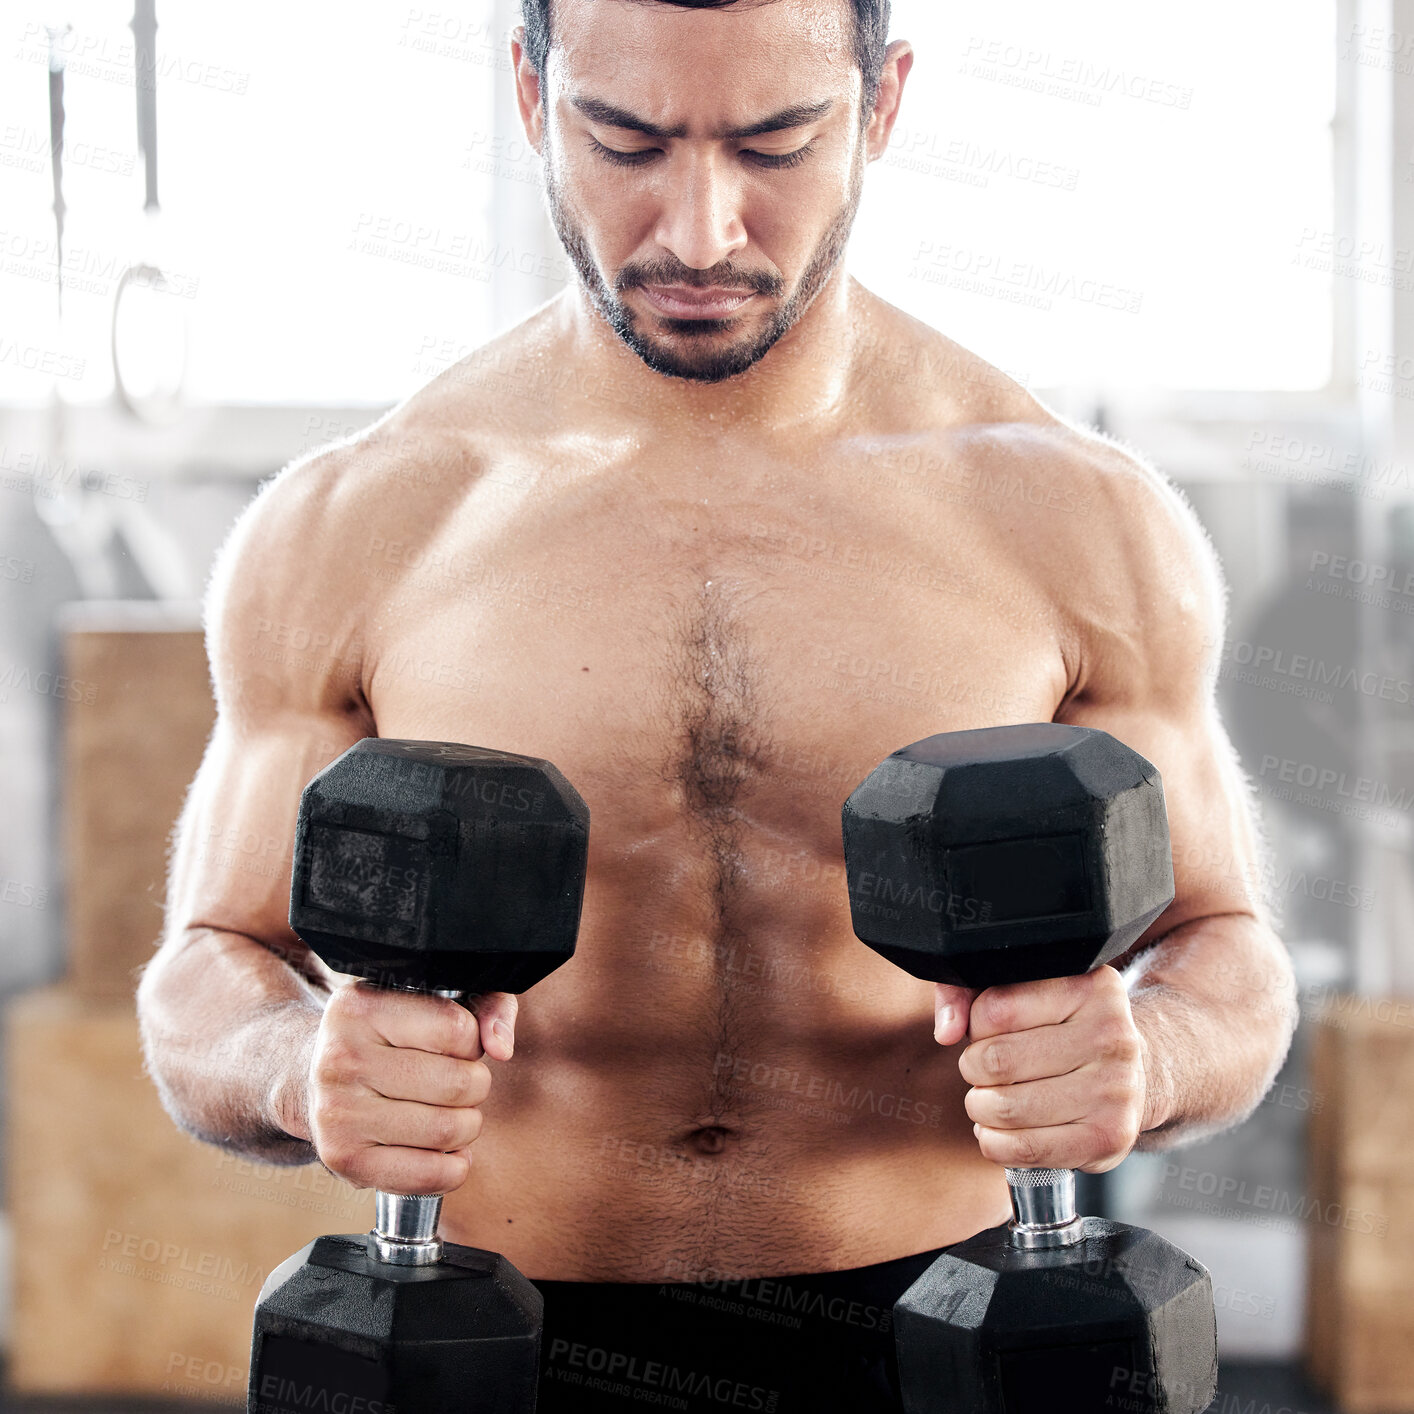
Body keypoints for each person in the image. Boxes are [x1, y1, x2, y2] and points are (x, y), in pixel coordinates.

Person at [137, 1, 1297, 1407]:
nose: (696, 230)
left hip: (945, 1338)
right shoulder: (365, 519)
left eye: (776, 142)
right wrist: (289, 1063)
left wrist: (1153, 1046)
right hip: (498, 1343)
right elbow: (207, 969)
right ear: (526, 94)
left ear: (880, 106)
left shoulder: (1070, 517)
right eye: (622, 140)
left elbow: (1224, 949)